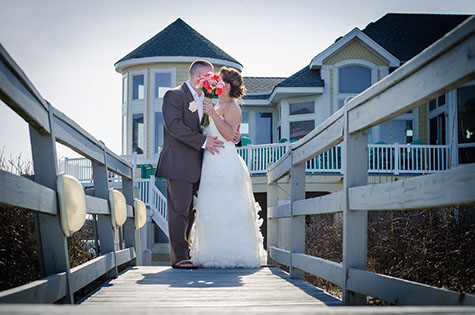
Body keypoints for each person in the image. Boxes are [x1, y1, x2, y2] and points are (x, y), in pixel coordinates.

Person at [156, 60, 239, 269]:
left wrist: (234, 135)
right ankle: (180, 258)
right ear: (197, 77)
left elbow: (214, 126)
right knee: (179, 210)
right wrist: (204, 141)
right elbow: (174, 127)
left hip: (203, 165)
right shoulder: (174, 95)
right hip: (179, 163)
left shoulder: (206, 99)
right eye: (210, 76)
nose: (213, 80)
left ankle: (189, 254)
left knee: (193, 211)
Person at [190, 66, 267, 268]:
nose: (216, 82)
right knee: (212, 207)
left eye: (220, 80)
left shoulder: (233, 107)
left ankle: (233, 255)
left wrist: (214, 116)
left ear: (228, 85)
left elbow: (228, 135)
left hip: (224, 162)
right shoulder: (215, 104)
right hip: (211, 162)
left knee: (227, 206)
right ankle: (212, 253)